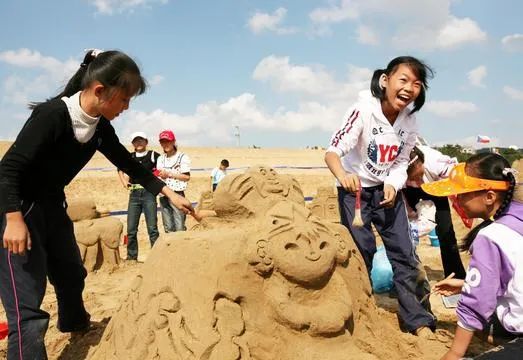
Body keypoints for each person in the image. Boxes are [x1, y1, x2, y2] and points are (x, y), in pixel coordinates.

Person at [0, 49, 194, 359]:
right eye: (124, 99)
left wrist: (169, 194)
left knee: (71, 272)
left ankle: (75, 325)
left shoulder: (99, 128)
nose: (126, 107)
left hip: (52, 205)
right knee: (27, 304)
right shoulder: (52, 115)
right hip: (18, 209)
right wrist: (12, 219)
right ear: (100, 90)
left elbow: (129, 164)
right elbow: (8, 169)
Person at [324, 56, 436, 336]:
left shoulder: (410, 121)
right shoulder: (363, 110)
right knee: (361, 253)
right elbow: (333, 151)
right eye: (404, 80)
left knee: (405, 254)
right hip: (355, 193)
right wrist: (342, 176)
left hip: (387, 194)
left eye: (417, 84)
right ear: (385, 80)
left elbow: (401, 161)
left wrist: (394, 182)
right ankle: (358, 314)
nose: (409, 88)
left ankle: (419, 321)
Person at [421, 153, 522, 360]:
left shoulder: (491, 236)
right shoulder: (516, 219)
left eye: (463, 193)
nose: (456, 199)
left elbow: (476, 304)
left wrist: (454, 353)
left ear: (490, 196)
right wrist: (468, 283)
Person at [403, 145, 467, 279]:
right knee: (404, 234)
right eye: (413, 179)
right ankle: (408, 276)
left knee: (446, 232)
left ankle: (456, 276)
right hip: (408, 192)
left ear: (422, 162)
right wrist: (409, 210)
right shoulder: (397, 169)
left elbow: (458, 179)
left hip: (437, 188)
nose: (419, 182)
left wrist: (460, 202)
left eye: (419, 175)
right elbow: (398, 193)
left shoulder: (436, 162)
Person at [118, 131, 161, 261]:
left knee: (152, 228)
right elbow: (119, 168)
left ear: (146, 142)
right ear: (132, 144)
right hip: (134, 195)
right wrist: (124, 182)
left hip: (149, 193)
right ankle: (132, 257)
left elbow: (162, 166)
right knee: (131, 229)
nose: (138, 142)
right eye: (136, 141)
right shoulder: (130, 156)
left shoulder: (153, 155)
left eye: (141, 140)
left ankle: (156, 257)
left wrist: (156, 180)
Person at [156, 130, 191, 232]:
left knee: (179, 226)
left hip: (177, 193)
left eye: (168, 141)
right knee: (168, 227)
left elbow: (186, 177)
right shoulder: (160, 159)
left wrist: (169, 174)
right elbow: (158, 175)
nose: (165, 144)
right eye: (163, 142)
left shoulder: (182, 157)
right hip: (163, 194)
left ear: (173, 141)